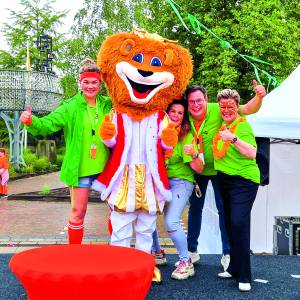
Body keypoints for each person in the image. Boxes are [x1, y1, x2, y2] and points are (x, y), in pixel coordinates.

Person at [20, 58, 111, 244]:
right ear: (80, 82)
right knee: (78, 212)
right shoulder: (70, 106)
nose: (90, 86)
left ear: (100, 83)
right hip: (80, 170)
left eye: (94, 82)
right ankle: (74, 255)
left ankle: (118, 249)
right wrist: (32, 121)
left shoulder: (108, 104)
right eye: (86, 82)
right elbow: (49, 123)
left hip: (107, 169)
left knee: (118, 211)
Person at [186, 81, 266, 270]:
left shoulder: (219, 109)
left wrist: (260, 96)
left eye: (199, 100)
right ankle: (191, 251)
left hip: (220, 170)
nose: (196, 105)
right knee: (195, 209)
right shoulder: (184, 114)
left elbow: (247, 108)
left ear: (206, 100)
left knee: (225, 211)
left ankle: (227, 254)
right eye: (192, 102)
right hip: (197, 167)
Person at [214, 89, 260, 292]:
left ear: (237, 107)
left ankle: (245, 276)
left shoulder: (242, 126)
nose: (226, 110)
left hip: (244, 181)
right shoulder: (224, 123)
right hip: (225, 179)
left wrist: (232, 138)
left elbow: (252, 153)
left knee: (239, 224)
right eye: (223, 107)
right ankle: (233, 267)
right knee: (228, 224)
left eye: (230, 107)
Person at [152, 99, 204, 280]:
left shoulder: (186, 136)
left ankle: (185, 261)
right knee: (147, 215)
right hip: (160, 181)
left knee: (172, 221)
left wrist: (194, 154)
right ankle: (157, 252)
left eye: (180, 113)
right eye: (172, 111)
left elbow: (199, 168)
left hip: (180, 182)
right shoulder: (159, 132)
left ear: (184, 117)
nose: (175, 115)